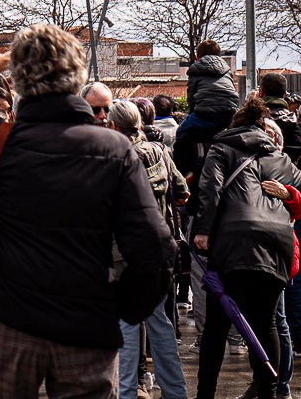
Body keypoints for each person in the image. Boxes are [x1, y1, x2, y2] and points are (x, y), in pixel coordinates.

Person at [0, 25, 173, 399]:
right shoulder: (114, 150)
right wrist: (122, 308)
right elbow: (154, 246)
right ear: (79, 77)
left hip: (8, 318)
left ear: (19, 80)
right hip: (86, 323)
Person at [193, 97, 301, 399]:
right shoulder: (279, 158)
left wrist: (203, 231)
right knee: (267, 322)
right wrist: (287, 192)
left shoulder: (220, 149)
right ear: (264, 129)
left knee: (217, 325)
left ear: (235, 124)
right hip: (276, 243)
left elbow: (210, 189)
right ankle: (269, 391)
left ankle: (206, 394)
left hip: (233, 241)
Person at [108, 99, 186, 399]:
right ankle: (175, 391)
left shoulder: (117, 157)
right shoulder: (160, 152)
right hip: (158, 251)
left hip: (124, 253)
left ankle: (126, 392)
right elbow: (182, 193)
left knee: (128, 325)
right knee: (160, 324)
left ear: (115, 126)